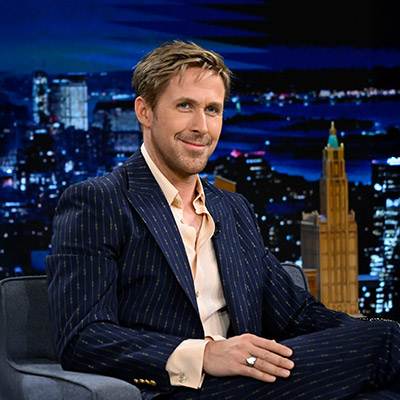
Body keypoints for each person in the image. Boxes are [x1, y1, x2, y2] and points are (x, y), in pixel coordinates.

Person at [46, 40, 400, 400]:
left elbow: (296, 315)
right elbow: (83, 338)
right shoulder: (98, 201)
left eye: (212, 110)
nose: (201, 126)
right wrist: (204, 355)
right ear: (145, 111)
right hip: (177, 390)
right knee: (387, 341)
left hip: (250, 385)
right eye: (185, 106)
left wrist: (360, 336)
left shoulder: (233, 210)